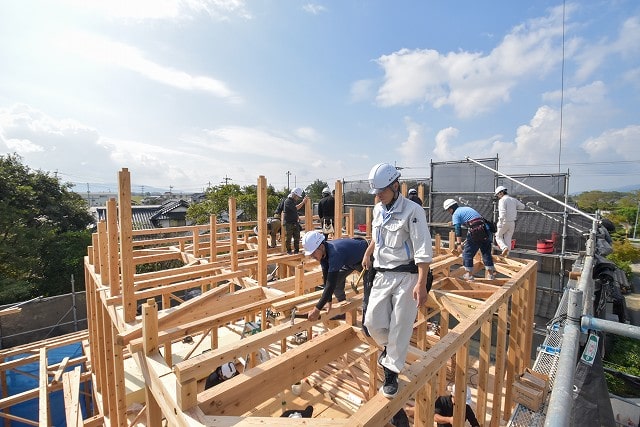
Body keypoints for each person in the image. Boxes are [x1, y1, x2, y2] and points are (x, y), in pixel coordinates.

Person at [362, 162, 433, 399]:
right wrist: (368, 252)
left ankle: (391, 370)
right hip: (382, 274)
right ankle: (390, 350)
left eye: (382, 191)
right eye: (376, 192)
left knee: (401, 324)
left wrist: (421, 284)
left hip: (407, 275)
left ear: (395, 185)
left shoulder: (413, 211)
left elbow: (422, 249)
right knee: (372, 323)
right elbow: (377, 236)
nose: (379, 196)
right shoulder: (378, 210)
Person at [303, 230, 368, 321]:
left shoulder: (335, 253)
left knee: (370, 289)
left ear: (321, 246)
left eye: (313, 253)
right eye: (310, 254)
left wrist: (317, 309)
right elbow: (327, 279)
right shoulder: (324, 254)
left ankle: (368, 320)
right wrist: (328, 301)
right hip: (348, 261)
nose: (312, 256)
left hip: (365, 257)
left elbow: (330, 285)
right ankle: (343, 311)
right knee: (336, 282)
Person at [443, 198, 496, 281]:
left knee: (467, 254)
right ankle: (490, 275)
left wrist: (459, 244)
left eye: (448, 211)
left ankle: (469, 275)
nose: (448, 212)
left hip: (476, 231)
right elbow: (473, 219)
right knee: (486, 252)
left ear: (450, 209)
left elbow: (458, 229)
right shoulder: (466, 209)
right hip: (486, 230)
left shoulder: (455, 214)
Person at [493, 186, 525, 257]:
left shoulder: (502, 200)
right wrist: (513, 207)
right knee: (508, 238)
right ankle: (507, 255)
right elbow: (522, 206)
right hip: (512, 223)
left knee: (498, 236)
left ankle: (504, 248)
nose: (498, 196)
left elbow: (502, 213)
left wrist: (500, 223)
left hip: (504, 221)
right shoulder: (513, 200)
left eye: (498, 194)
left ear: (501, 193)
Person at [283, 187, 308, 254]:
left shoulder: (293, 201)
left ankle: (296, 250)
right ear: (294, 195)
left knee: (297, 237)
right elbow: (296, 208)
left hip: (294, 222)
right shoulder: (287, 201)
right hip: (288, 223)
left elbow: (294, 211)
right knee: (288, 238)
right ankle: (288, 250)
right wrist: (303, 202)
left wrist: (297, 217)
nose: (297, 198)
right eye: (297, 196)